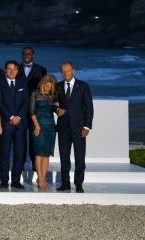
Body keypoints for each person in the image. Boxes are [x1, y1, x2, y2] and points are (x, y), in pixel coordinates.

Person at [55, 61, 93, 193]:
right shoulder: (58, 86)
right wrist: (57, 109)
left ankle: (79, 184)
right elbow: (53, 103)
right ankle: (65, 183)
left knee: (80, 158)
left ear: (73, 71)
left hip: (79, 127)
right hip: (63, 128)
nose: (65, 73)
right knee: (64, 158)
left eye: (68, 71)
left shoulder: (83, 86)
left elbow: (89, 107)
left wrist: (87, 126)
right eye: (63, 71)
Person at [0, 60, 29, 189]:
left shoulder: (22, 83)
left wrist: (18, 117)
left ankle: (16, 180)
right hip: (6, 124)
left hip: (20, 124)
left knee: (19, 154)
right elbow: (0, 103)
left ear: (18, 70)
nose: (12, 71)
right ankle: (4, 180)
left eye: (14, 69)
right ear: (5, 70)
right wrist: (10, 117)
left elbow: (26, 102)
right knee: (4, 154)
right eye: (9, 69)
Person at [20, 46, 48, 169]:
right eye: (24, 53)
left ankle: (35, 166)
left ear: (33, 55)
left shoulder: (41, 69)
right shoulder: (15, 68)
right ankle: (20, 165)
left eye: (29, 53)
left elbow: (45, 90)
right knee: (20, 139)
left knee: (34, 138)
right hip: (19, 109)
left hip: (35, 109)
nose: (27, 55)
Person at [30, 74, 58, 189]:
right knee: (39, 153)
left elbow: (56, 108)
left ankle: (43, 178)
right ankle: (40, 179)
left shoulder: (53, 95)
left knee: (46, 154)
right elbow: (31, 111)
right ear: (43, 84)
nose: (48, 89)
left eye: (51, 87)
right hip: (38, 124)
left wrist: (58, 107)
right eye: (47, 86)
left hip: (50, 126)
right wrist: (37, 126)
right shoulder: (35, 93)